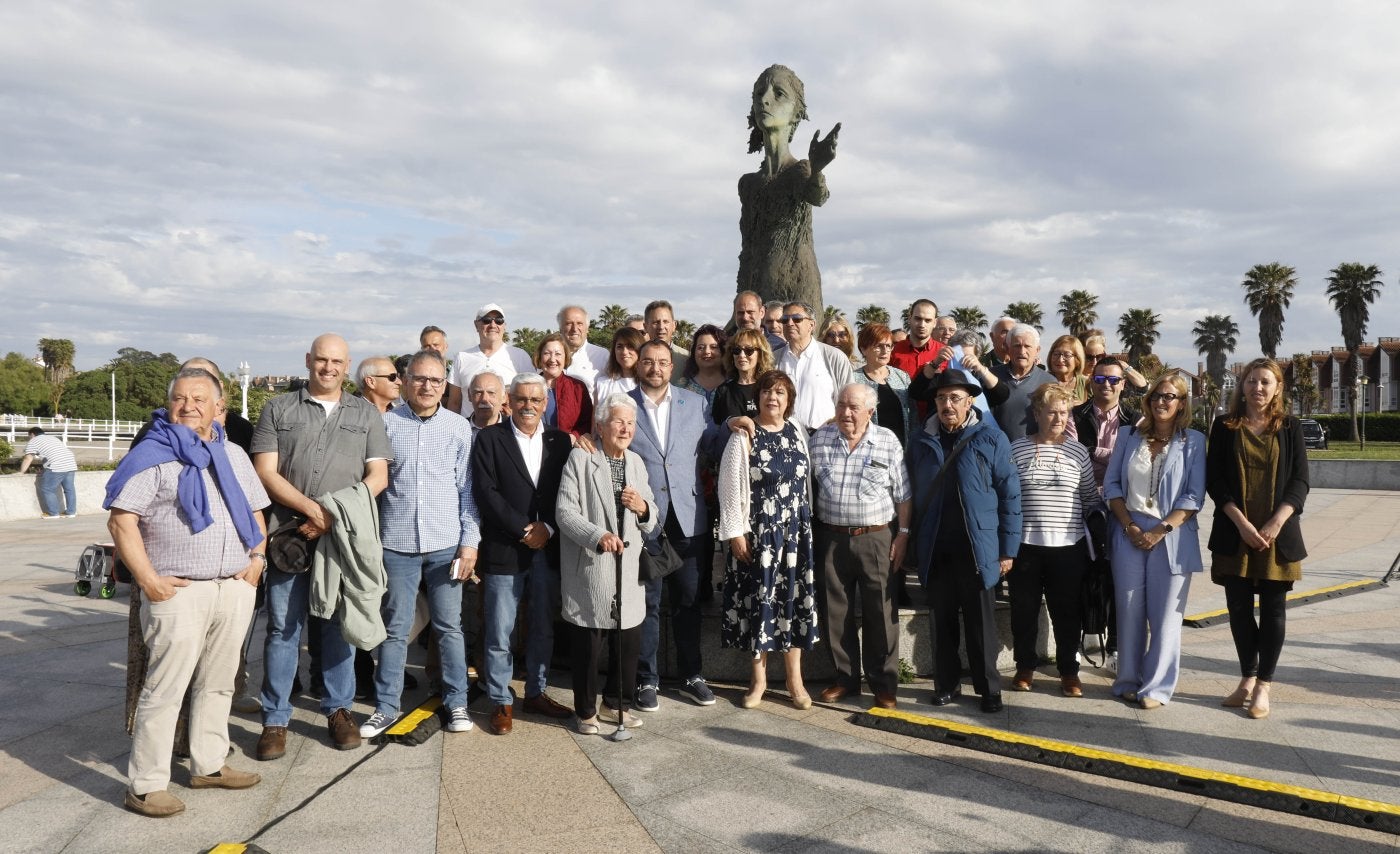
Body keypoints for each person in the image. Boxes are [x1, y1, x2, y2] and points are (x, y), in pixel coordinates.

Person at [106, 368, 270, 817]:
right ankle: (146, 785)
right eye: (180, 398)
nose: (188, 406)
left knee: (219, 683)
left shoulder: (232, 453)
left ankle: (209, 764)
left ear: (219, 407)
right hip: (179, 592)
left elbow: (256, 511)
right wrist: (149, 580)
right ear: (169, 404)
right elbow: (121, 521)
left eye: (199, 398)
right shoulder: (153, 454)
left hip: (233, 586)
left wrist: (257, 559)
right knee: (164, 689)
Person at [252, 334, 391, 759]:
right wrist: (313, 511)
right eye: (321, 360)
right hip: (288, 537)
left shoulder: (365, 414)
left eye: (337, 362)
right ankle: (275, 718)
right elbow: (265, 472)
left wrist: (332, 515)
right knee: (283, 628)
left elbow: (378, 476)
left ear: (347, 366)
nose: (328, 368)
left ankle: (338, 709)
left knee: (336, 625)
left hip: (340, 538)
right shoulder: (278, 409)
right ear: (308, 360)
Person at [360, 350, 479, 739]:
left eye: (435, 380)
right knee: (396, 628)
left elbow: (467, 491)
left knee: (449, 627)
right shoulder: (385, 424)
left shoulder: (458, 428)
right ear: (406, 381)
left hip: (446, 543)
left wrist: (469, 544)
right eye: (420, 379)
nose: (427, 386)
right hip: (397, 543)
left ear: (445, 386)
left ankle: (457, 701)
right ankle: (386, 706)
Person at [908, 369, 1021, 714]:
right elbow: (909, 493)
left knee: (980, 624)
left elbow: (1010, 495)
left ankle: (989, 689)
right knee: (941, 621)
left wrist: (1007, 550)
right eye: (941, 398)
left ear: (969, 401)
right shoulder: (920, 440)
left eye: (955, 398)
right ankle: (946, 684)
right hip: (936, 546)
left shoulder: (991, 437)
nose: (948, 405)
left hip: (978, 548)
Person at [471, 373, 575, 734]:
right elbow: (486, 493)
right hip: (504, 548)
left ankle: (536, 692)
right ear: (509, 402)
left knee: (543, 626)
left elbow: (569, 492)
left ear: (545, 404)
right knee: (500, 630)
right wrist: (524, 529)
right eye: (521, 399)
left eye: (535, 400)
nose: (527, 406)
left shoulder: (560, 442)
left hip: (548, 548)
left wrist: (549, 528)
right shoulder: (489, 439)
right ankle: (500, 699)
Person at [1206, 358, 1308, 720]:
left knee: (1273, 611)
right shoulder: (1224, 426)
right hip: (1236, 532)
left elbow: (1300, 481)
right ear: (1242, 386)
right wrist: (1242, 524)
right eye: (1251, 381)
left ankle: (1264, 684)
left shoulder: (1290, 427)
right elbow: (1215, 480)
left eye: (1266, 382)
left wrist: (1277, 522)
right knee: (1238, 609)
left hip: (1277, 536)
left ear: (1278, 388)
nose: (1258, 388)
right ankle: (1247, 678)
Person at [556, 394, 659, 733]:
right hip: (592, 565)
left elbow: (652, 516)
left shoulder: (636, 463)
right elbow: (564, 512)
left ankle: (616, 704)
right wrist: (597, 535)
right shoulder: (581, 458)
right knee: (589, 642)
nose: (625, 429)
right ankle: (585, 710)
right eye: (618, 421)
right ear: (600, 426)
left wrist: (643, 508)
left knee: (627, 641)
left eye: (630, 423)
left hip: (628, 569)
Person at [718, 370, 819, 709]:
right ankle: (758, 680)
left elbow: (806, 483)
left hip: (794, 536)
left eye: (779, 393)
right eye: (766, 392)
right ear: (757, 397)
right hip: (758, 534)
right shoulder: (743, 435)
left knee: (793, 603)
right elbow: (729, 487)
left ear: (789, 400)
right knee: (758, 604)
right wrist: (735, 532)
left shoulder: (797, 430)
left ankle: (795, 680)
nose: (772, 398)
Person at [1104, 372, 1206, 709]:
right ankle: (1128, 680)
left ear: (1182, 404)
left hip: (1171, 535)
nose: (1162, 401)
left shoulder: (1194, 441)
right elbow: (1112, 486)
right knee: (1129, 611)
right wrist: (1130, 526)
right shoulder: (1127, 436)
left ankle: (1157, 688)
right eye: (1157, 396)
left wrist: (1160, 531)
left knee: (1165, 617)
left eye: (1170, 396)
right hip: (1129, 531)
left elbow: (1193, 496)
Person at [627, 341, 717, 709]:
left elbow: (712, 442)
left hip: (689, 517)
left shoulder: (694, 403)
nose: (655, 368)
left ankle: (692, 676)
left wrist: (736, 424)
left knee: (688, 602)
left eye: (663, 362)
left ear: (671, 366)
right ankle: (646, 680)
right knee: (647, 604)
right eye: (648, 361)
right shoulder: (623, 405)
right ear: (638, 365)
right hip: (644, 519)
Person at [809, 384, 910, 709]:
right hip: (831, 537)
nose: (846, 413)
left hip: (876, 537)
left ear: (870, 411)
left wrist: (903, 534)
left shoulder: (887, 441)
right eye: (841, 405)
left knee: (881, 611)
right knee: (834, 611)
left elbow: (903, 494)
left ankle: (884, 684)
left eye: (853, 407)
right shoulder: (820, 439)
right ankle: (845, 679)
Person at [1007, 384, 1100, 698]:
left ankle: (1068, 672)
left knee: (1067, 613)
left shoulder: (1078, 451)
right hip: (1026, 546)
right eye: (1052, 412)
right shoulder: (1017, 448)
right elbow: (1008, 497)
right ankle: (1025, 666)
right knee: (1024, 611)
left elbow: (1089, 498)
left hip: (1068, 547)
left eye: (1064, 412)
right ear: (1037, 414)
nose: (1059, 418)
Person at [736, 64, 839, 310]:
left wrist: (817, 169)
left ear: (796, 113)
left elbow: (818, 196)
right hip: (756, 297)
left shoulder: (800, 170)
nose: (765, 100)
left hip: (798, 294)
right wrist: (739, 303)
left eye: (778, 94)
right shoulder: (748, 184)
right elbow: (747, 250)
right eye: (759, 94)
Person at [1071, 356, 1136, 670]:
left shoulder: (1136, 420)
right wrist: (1115, 455)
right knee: (1081, 576)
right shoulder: (1074, 415)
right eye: (1099, 379)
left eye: (1113, 379)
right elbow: (1073, 453)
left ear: (1123, 384)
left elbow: (1133, 461)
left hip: (1122, 506)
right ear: (1090, 382)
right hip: (1081, 503)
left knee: (1117, 578)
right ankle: (1076, 641)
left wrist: (1095, 451)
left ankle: (1115, 649)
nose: (1106, 385)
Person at [776, 300, 853, 431]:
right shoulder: (773, 359)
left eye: (797, 319)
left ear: (812, 325)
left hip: (824, 435)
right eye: (784, 320)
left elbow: (850, 399)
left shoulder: (834, 357)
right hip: (784, 436)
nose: (790, 323)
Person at [445, 304, 535, 414]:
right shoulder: (462, 358)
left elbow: (532, 397)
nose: (493, 325)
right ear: (476, 325)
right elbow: (454, 402)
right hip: (468, 424)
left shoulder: (520, 356)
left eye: (499, 321)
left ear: (504, 326)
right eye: (486, 320)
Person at [985, 324, 1055, 442]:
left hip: (1033, 450)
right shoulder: (990, 376)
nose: (1022, 351)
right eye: (1017, 346)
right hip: (994, 448)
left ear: (1037, 350)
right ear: (1008, 348)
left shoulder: (1049, 382)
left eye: (1027, 346)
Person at [853, 323, 914, 446]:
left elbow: (913, 415)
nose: (885, 351)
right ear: (863, 349)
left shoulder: (902, 377)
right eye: (878, 346)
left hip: (902, 448)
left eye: (888, 346)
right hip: (868, 448)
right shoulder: (853, 379)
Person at [533, 333, 594, 443]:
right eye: (547, 353)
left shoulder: (578, 388)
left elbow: (588, 422)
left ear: (565, 357)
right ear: (539, 357)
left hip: (568, 448)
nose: (552, 359)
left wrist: (574, 436)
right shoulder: (528, 387)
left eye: (558, 354)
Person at [890, 300, 950, 408]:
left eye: (928, 320)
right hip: (901, 415)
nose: (922, 325)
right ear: (910, 319)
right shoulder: (893, 351)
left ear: (934, 322)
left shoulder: (945, 353)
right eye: (918, 319)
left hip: (934, 415)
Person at [710, 328, 773, 426]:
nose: (742, 355)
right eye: (737, 350)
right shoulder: (723, 390)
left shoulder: (769, 388)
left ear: (760, 355)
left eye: (749, 350)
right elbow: (716, 427)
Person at [19, 427, 78, 518]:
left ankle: (53, 513)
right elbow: (53, 454)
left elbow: (28, 458)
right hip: (70, 463)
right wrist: (45, 470)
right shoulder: (53, 438)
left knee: (47, 489)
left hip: (57, 466)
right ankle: (71, 512)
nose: (29, 438)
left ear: (32, 434)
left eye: (29, 436)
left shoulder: (33, 441)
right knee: (69, 489)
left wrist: (21, 472)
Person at [675, 324, 728, 410]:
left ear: (723, 351)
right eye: (701, 347)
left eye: (713, 347)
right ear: (694, 352)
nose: (707, 351)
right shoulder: (683, 386)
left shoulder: (733, 385)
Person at [559, 305, 610, 388]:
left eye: (579, 323)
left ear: (587, 328)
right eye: (569, 323)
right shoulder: (550, 356)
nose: (574, 329)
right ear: (560, 329)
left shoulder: (602, 356)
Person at [594, 326, 646, 405]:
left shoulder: (649, 383)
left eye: (630, 346)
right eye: (619, 347)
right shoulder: (603, 384)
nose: (624, 352)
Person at [1046, 334, 1089, 411]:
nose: (1060, 359)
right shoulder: (1042, 381)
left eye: (1067, 355)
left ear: (1077, 360)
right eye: (1056, 354)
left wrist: (1082, 407)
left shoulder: (1087, 384)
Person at [464, 370, 507, 436]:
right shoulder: (458, 429)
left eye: (491, 393)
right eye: (478, 393)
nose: (484, 399)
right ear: (469, 395)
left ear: (504, 397)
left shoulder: (515, 429)